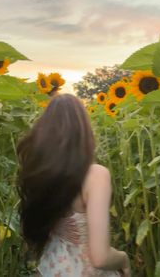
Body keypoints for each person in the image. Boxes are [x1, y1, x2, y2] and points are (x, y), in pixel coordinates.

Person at [17, 94, 131, 277]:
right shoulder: (95, 175)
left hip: (50, 269)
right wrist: (124, 258)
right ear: (84, 130)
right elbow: (100, 258)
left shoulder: (41, 173)